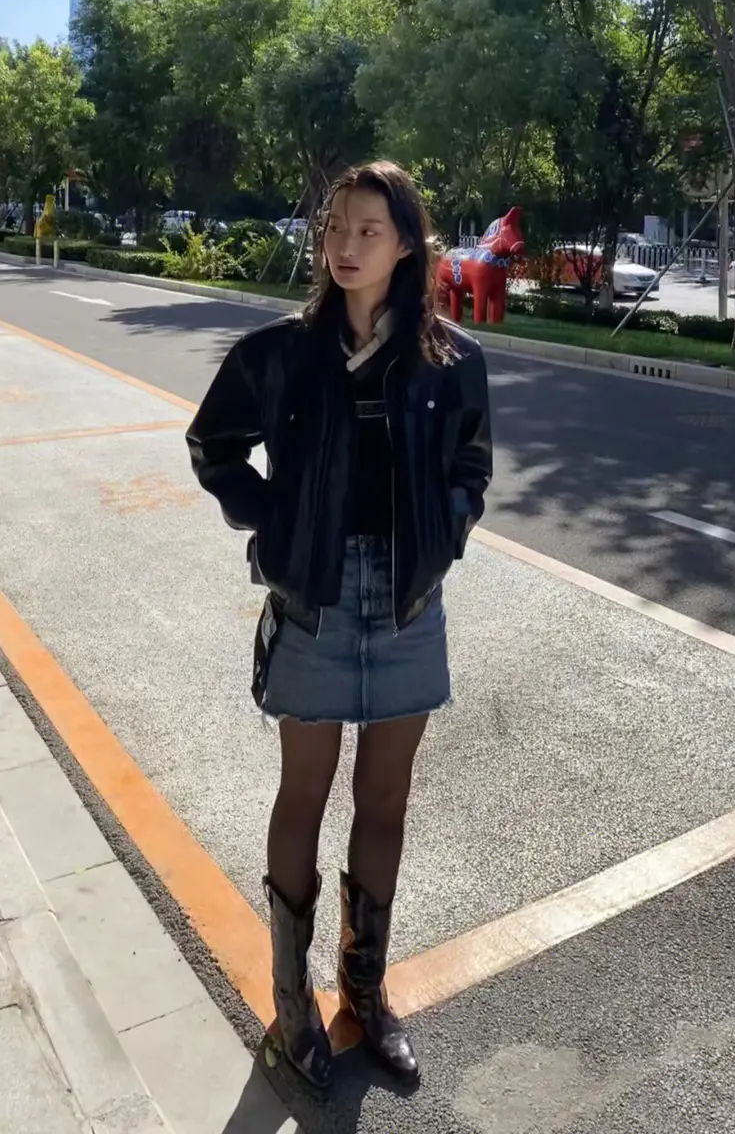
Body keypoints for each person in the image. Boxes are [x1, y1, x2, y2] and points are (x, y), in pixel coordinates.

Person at [186, 162, 492, 1090]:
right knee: (304, 796)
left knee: (386, 799)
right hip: (314, 599)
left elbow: (471, 469)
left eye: (368, 230)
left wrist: (442, 537)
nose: (346, 245)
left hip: (407, 603)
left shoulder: (452, 361)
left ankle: (366, 987)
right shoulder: (279, 352)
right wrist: (273, 521)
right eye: (335, 227)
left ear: (406, 246)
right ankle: (292, 1007)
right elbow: (213, 445)